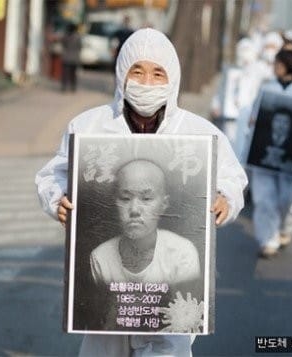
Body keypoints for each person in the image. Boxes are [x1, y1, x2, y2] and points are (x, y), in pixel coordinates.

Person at [35, 28, 247, 356]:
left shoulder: (199, 134)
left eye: (157, 73)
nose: (147, 82)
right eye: (138, 71)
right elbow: (54, 175)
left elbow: (233, 179)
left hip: (170, 306)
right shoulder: (89, 126)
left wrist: (225, 201)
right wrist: (56, 200)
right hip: (107, 309)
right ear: (122, 73)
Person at [249, 48, 292, 258]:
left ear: (288, 65)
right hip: (263, 154)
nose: (274, 67)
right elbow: (254, 113)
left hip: (291, 157)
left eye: (278, 64)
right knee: (264, 198)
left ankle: (286, 228)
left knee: (288, 198)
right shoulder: (266, 88)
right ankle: (268, 240)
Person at [90, 159, 201, 286]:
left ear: (164, 204)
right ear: (114, 203)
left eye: (146, 198)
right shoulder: (101, 257)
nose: (134, 210)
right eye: (125, 198)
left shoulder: (182, 253)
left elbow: (186, 303)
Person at [60, 23, 82, 92]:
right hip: (75, 58)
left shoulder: (65, 36)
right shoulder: (78, 37)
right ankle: (73, 87)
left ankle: (64, 87)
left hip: (66, 57)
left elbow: (63, 44)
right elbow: (80, 46)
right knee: (73, 74)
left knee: (65, 73)